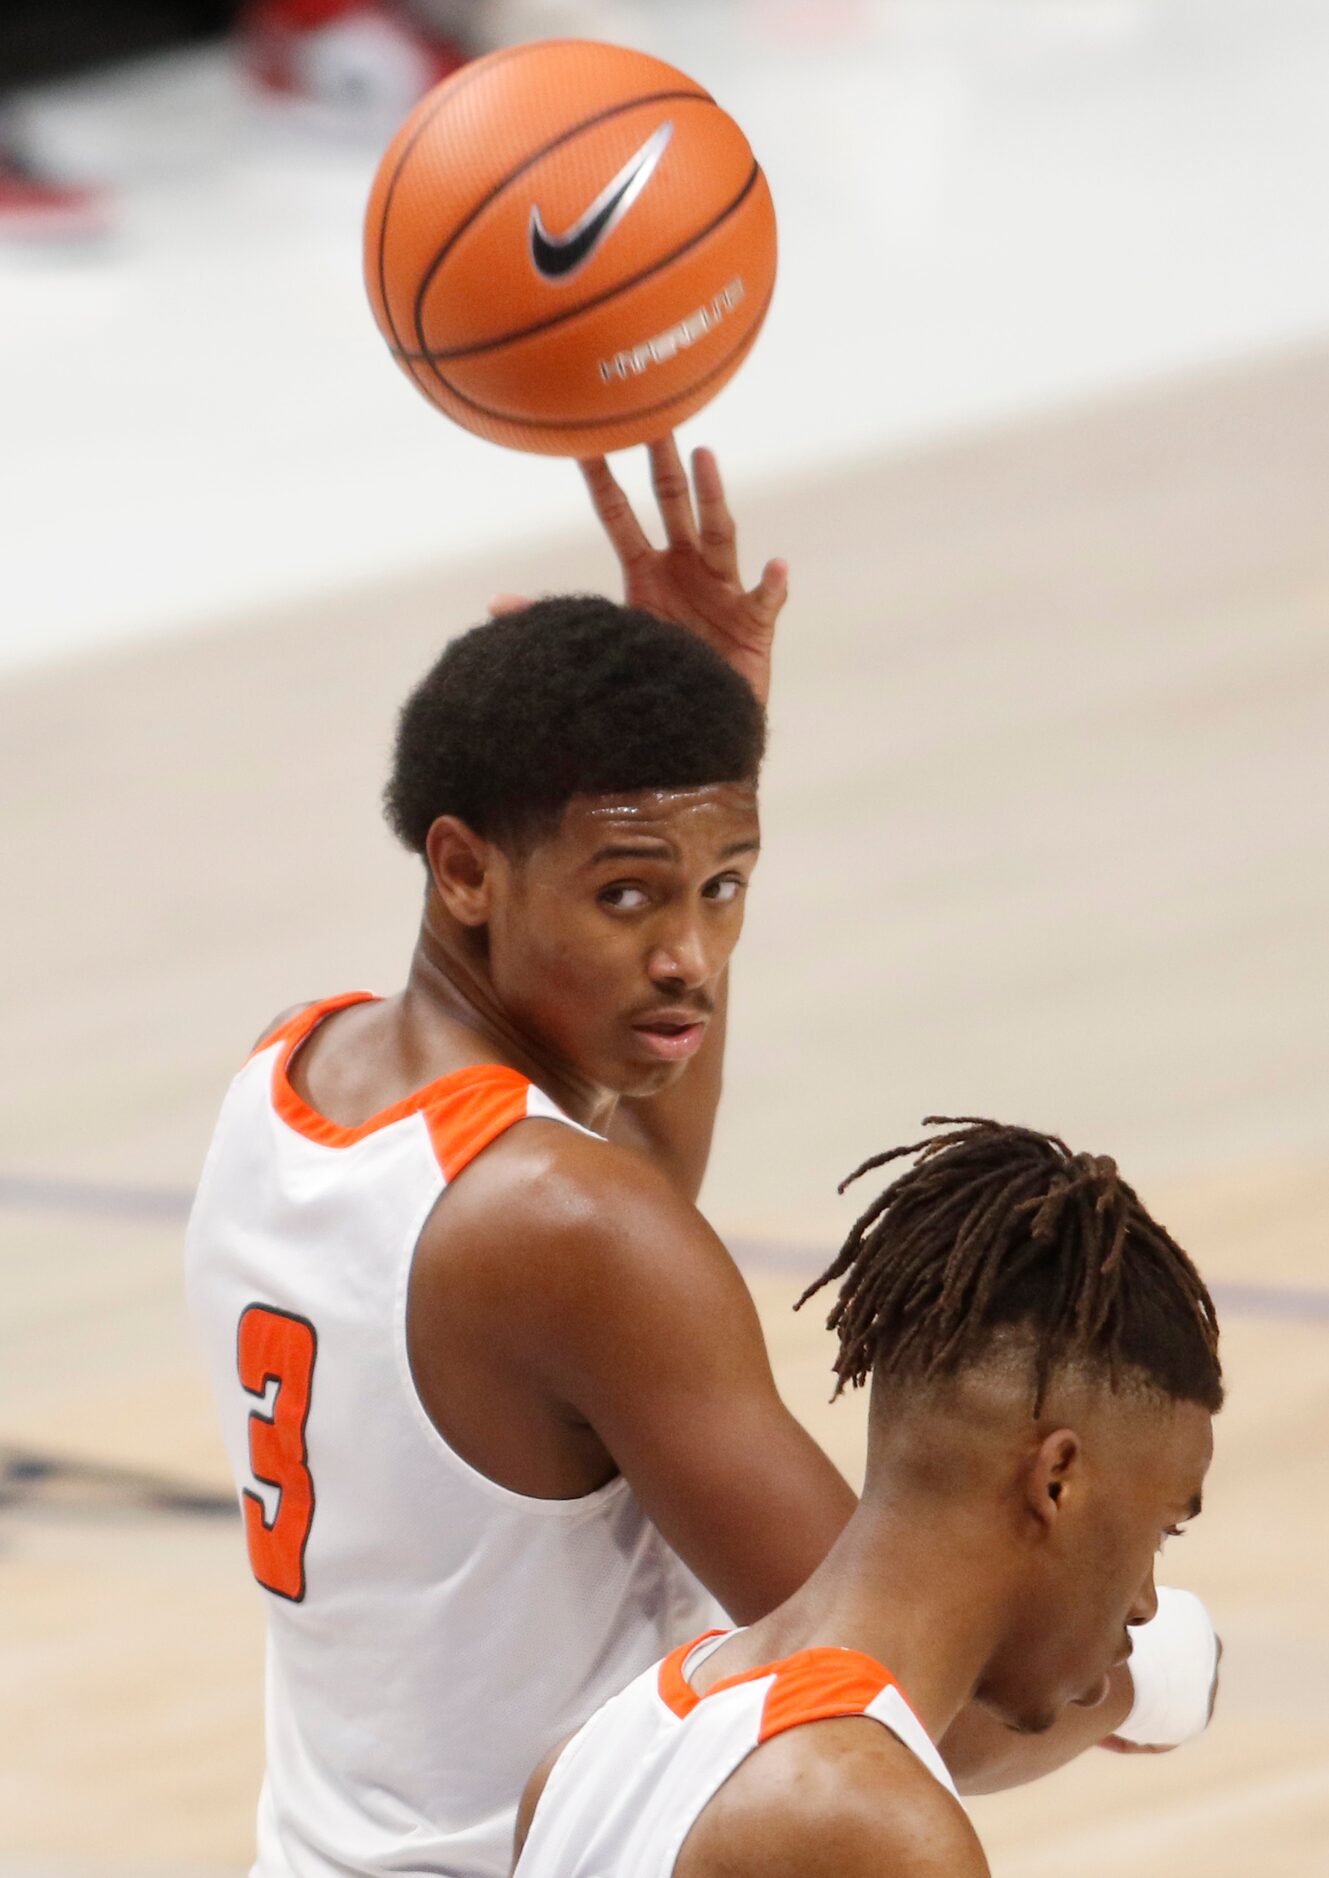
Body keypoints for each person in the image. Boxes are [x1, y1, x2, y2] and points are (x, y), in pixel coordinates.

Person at [186, 445, 1217, 1878]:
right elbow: (905, 1691)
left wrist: (695, 730)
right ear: (466, 869)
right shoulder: (566, 1227)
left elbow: (621, 1155)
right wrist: (1163, 1674)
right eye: (628, 893)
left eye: (724, 884)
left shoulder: (291, 1074)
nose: (689, 957)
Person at [512, 1117, 1224, 1878]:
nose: (1146, 1601)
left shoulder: (587, 1758)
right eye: (1159, 1533)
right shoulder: (866, 1820)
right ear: (1055, 1481)